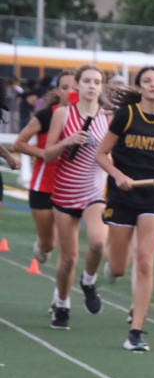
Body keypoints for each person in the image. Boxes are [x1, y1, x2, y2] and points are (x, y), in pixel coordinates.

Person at [94, 66, 154, 350]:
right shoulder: (126, 115)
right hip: (122, 196)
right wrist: (118, 176)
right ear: (140, 87)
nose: (153, 85)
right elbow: (101, 154)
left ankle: (136, 331)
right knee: (119, 268)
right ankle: (112, 267)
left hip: (153, 197)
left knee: (145, 260)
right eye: (147, 81)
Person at [42, 65, 111, 330]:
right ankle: (61, 303)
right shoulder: (62, 114)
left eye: (97, 82)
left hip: (94, 192)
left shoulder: (107, 118)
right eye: (87, 81)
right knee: (68, 258)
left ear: (101, 87)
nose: (92, 86)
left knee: (98, 243)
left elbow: (110, 156)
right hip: (65, 192)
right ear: (78, 85)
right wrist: (66, 141)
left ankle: (89, 281)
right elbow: (47, 155)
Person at [12, 70, 75, 268]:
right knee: (48, 244)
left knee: (69, 249)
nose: (70, 92)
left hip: (72, 186)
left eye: (74, 88)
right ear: (57, 90)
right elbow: (18, 144)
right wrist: (46, 154)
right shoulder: (46, 115)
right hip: (44, 185)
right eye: (65, 87)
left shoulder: (90, 117)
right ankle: (42, 244)